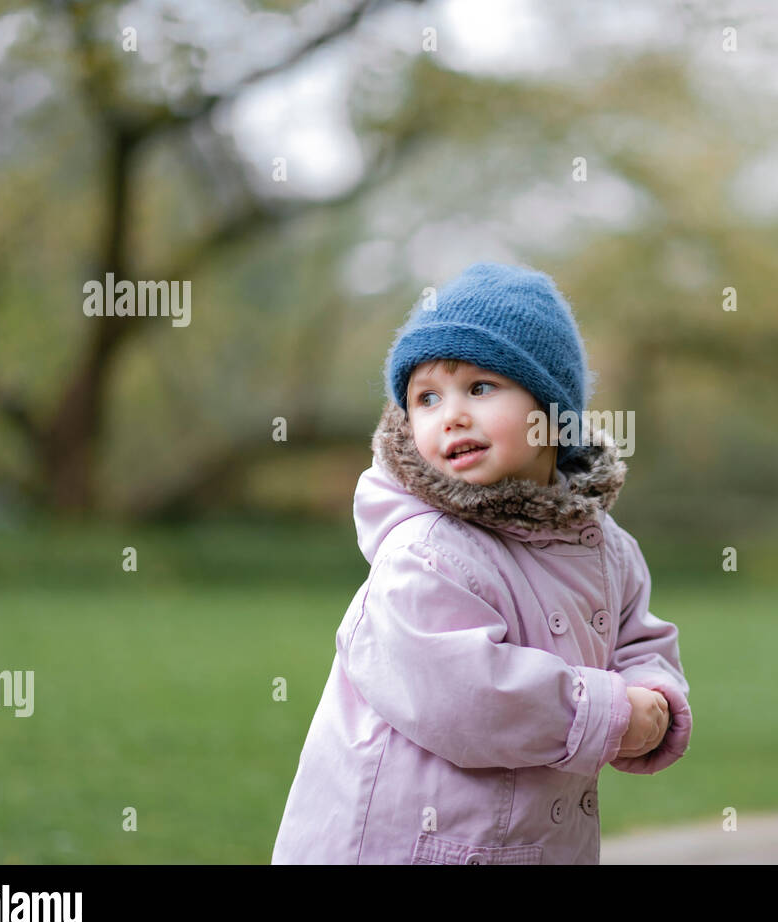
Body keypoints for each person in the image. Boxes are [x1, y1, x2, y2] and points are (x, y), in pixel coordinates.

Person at [271, 261, 691, 864]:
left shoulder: (602, 547)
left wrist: (653, 694)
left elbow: (639, 639)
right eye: (426, 398)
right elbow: (467, 696)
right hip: (403, 846)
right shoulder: (426, 551)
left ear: (552, 411)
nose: (452, 415)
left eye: (480, 388)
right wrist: (609, 714)